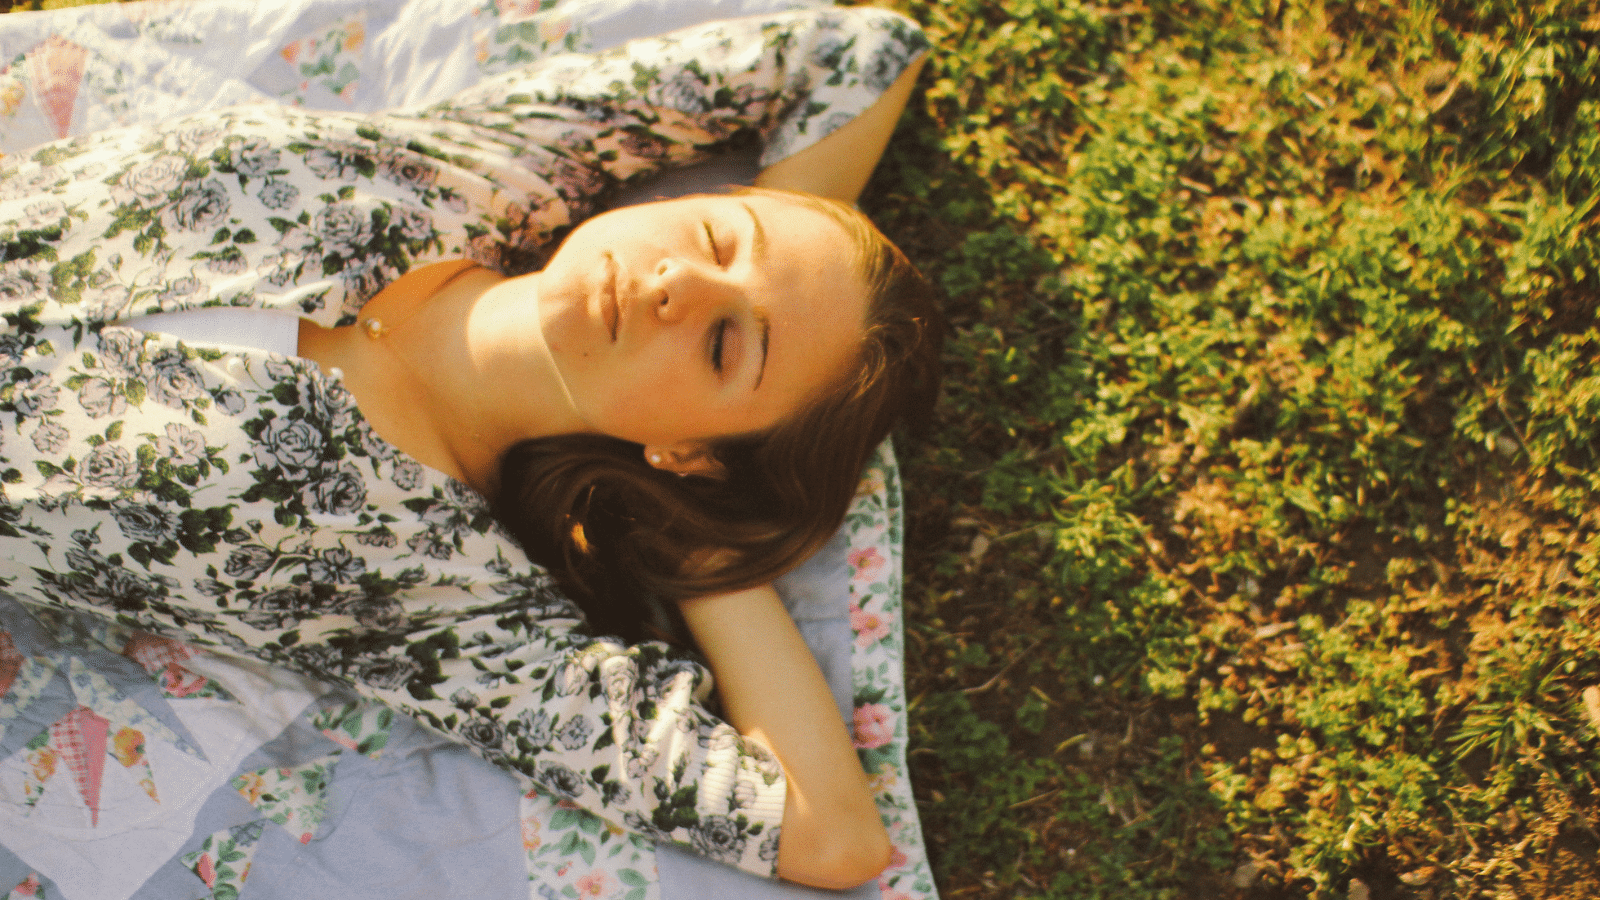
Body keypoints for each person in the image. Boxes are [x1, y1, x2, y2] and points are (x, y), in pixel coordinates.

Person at [0, 4, 934, 890]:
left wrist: (696, 537)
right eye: (715, 235)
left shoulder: (451, 596)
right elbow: (862, 53)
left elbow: (829, 833)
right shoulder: (489, 173)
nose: (674, 283)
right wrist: (775, 273)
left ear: (693, 448)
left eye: (726, 344)